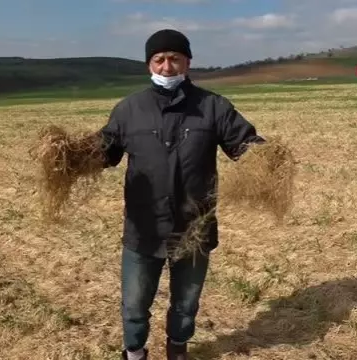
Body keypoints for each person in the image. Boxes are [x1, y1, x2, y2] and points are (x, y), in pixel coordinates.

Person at [99, 28, 265, 360]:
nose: (167, 67)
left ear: (188, 61)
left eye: (175, 58)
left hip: (194, 228)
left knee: (186, 304)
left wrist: (267, 158)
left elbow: (245, 144)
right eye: (159, 59)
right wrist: (73, 155)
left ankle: (177, 351)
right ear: (149, 64)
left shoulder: (213, 107)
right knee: (134, 304)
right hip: (143, 229)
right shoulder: (129, 110)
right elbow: (105, 151)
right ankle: (134, 353)